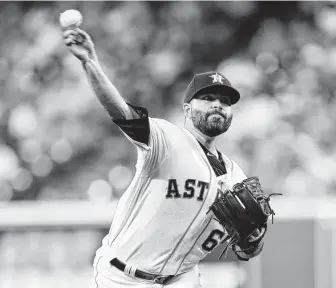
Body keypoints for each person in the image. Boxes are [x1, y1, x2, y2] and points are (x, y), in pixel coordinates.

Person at [62, 27, 265, 288]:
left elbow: (248, 250)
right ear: (187, 110)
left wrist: (252, 244)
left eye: (225, 102)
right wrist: (90, 63)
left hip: (182, 278)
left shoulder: (236, 176)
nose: (217, 105)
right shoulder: (165, 140)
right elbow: (120, 110)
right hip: (124, 276)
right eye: (208, 98)